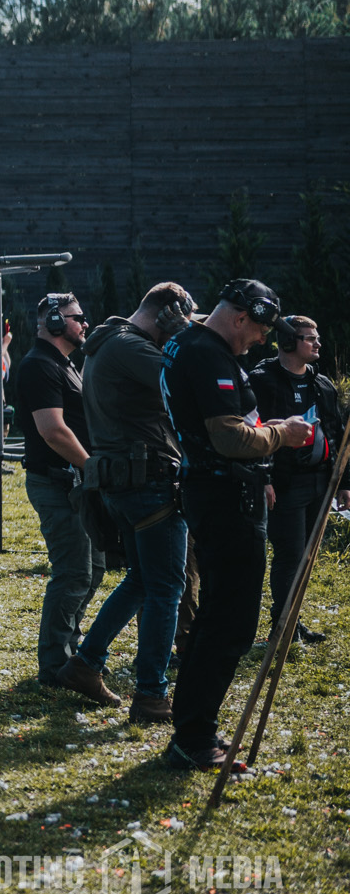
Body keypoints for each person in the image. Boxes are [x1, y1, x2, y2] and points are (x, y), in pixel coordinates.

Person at [160, 279, 315, 772]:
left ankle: (193, 728)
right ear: (240, 316)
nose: (260, 343)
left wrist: (261, 472)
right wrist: (282, 434)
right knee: (231, 623)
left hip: (222, 490)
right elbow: (229, 436)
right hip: (225, 495)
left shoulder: (189, 341)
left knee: (216, 618)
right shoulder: (206, 353)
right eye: (260, 332)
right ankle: (193, 736)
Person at [74, 282, 197, 725]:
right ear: (167, 314)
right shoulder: (130, 347)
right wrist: (187, 336)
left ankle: (86, 663)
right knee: (167, 588)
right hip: (146, 482)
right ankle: (150, 696)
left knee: (144, 580)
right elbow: (189, 376)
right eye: (179, 320)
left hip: (125, 482)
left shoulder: (110, 342)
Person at [13, 293, 112, 705]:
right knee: (72, 572)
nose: (84, 324)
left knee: (94, 569)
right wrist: (93, 468)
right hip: (58, 484)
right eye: (77, 318)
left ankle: (71, 652)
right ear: (54, 322)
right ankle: (55, 665)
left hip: (75, 482)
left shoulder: (63, 364)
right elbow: (53, 430)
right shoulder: (38, 366)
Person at [249, 314, 341, 646]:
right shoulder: (262, 381)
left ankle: (293, 623)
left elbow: (336, 432)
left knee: (306, 554)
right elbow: (252, 431)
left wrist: (343, 483)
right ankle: (283, 627)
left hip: (319, 481)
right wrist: (264, 478)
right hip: (284, 484)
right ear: (288, 342)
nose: (317, 343)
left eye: (317, 337)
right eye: (309, 338)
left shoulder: (322, 383)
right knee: (290, 554)